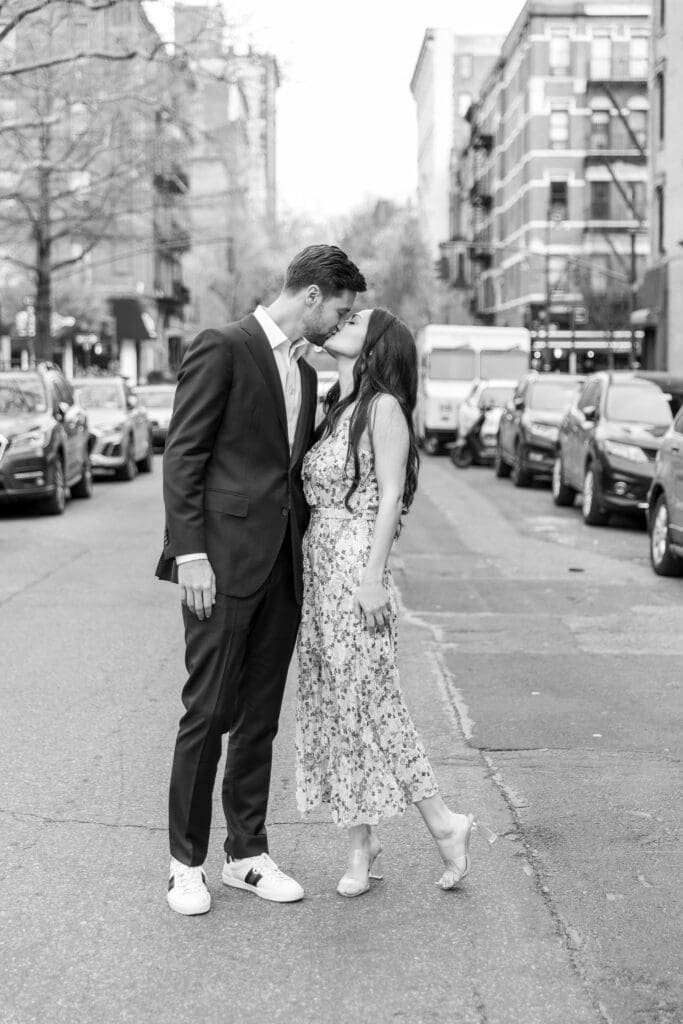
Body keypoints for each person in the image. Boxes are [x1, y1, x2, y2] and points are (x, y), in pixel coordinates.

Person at [156, 245, 367, 915]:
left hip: (282, 568)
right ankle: (184, 865)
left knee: (257, 723)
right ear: (311, 295)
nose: (341, 320)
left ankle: (245, 854)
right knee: (206, 716)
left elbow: (291, 472)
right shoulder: (223, 346)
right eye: (340, 307)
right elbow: (183, 455)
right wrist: (190, 553)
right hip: (218, 566)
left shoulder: (306, 376)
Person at [295, 308, 495, 897]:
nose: (340, 320)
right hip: (322, 570)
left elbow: (387, 500)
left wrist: (373, 576)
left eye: (354, 318)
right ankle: (379, 839)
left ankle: (436, 825)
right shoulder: (338, 407)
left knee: (375, 708)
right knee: (341, 710)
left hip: (357, 571)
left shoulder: (382, 408)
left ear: (377, 344)